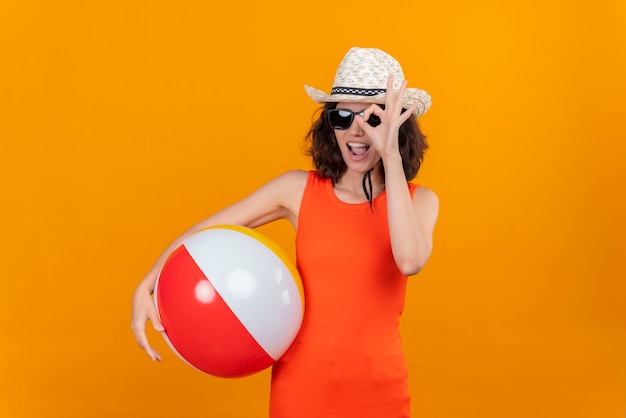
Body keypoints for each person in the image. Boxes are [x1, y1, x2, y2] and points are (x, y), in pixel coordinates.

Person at [131, 46, 439, 418]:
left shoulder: (418, 201)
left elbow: (409, 261)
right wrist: (146, 284)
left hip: (381, 395)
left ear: (396, 126)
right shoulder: (297, 191)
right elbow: (205, 233)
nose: (356, 132)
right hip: (300, 394)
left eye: (372, 120)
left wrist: (389, 156)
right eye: (342, 116)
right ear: (330, 124)